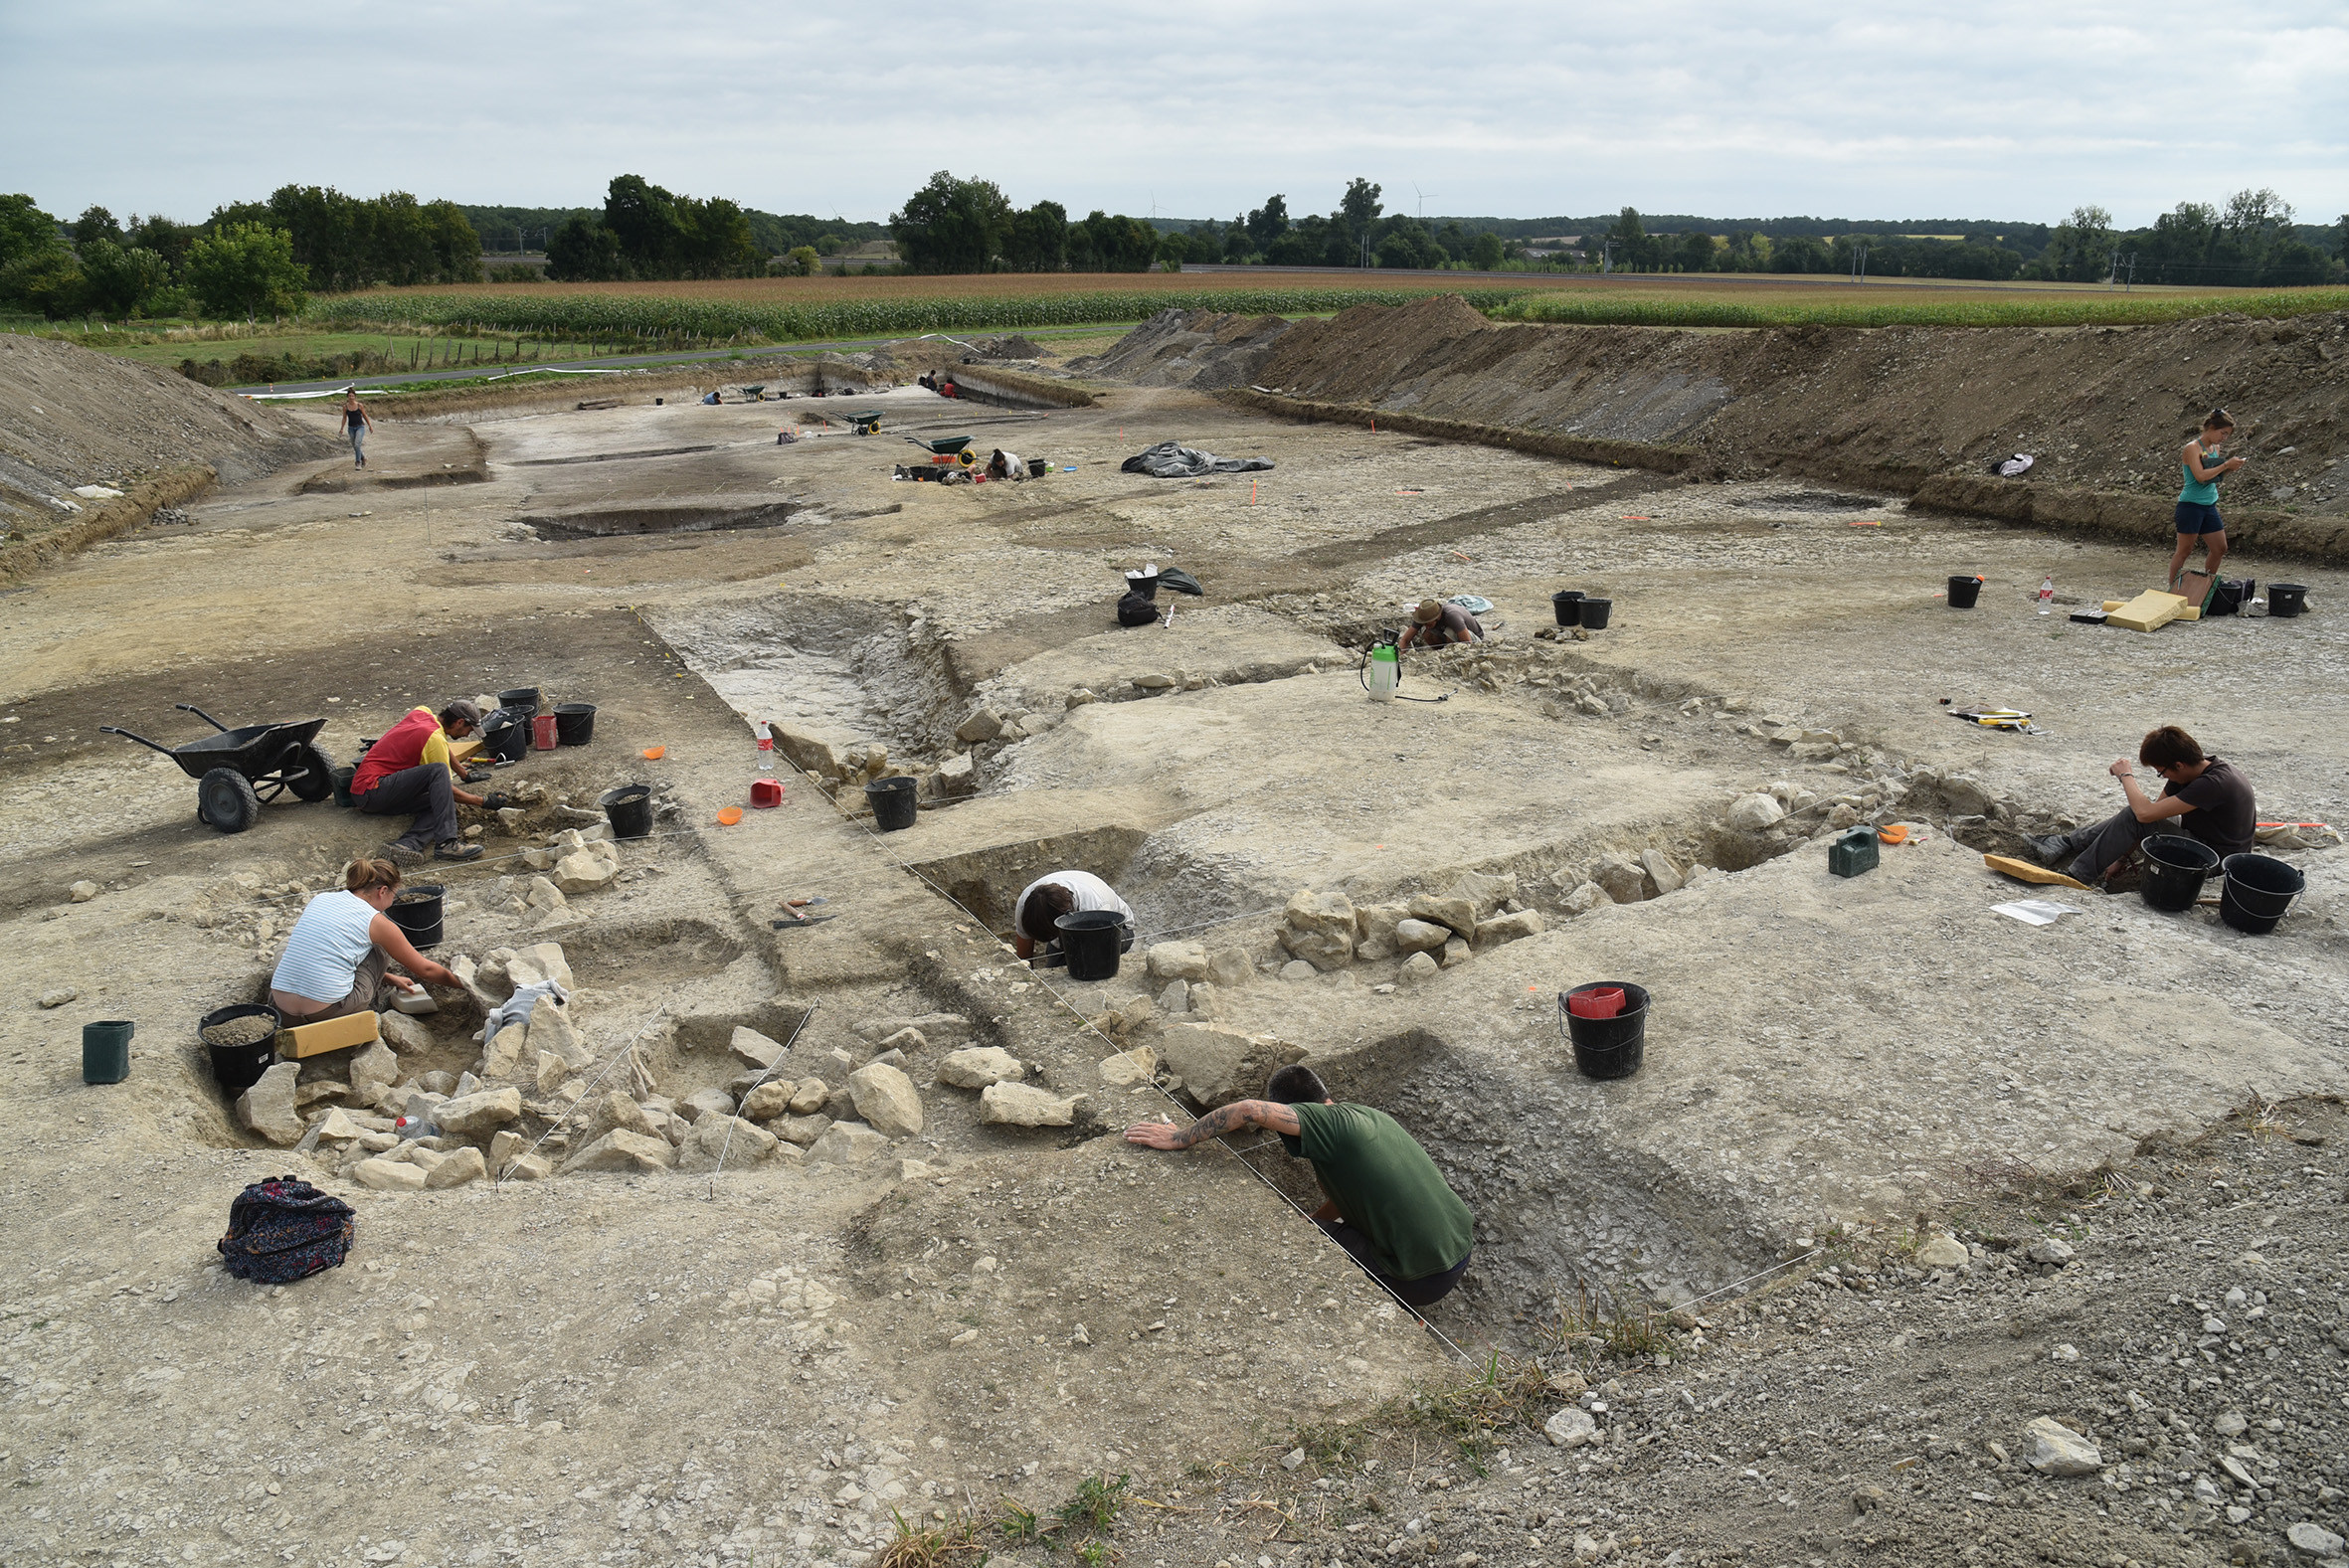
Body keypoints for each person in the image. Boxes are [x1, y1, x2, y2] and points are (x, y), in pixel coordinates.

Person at [1124, 1065, 1475, 1308]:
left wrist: (1178, 1138)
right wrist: (1313, 1220)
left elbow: (1248, 1110)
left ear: (1290, 1109)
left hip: (1421, 1276)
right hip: (1457, 1252)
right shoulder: (1367, 1118)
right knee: (1307, 1229)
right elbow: (1351, 1193)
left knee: (1292, 1242)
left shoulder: (1322, 1122)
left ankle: (1399, 1308)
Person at [2027, 725, 2256, 888]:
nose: (2162, 776)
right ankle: (2066, 843)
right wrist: (2122, 857)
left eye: (2161, 772)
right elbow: (2153, 816)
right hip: (2200, 841)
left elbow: (2144, 814)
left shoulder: (2215, 783)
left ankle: (2076, 877)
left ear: (2178, 764)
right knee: (2136, 815)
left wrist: (2125, 775)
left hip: (2214, 860)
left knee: (2135, 814)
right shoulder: (2191, 772)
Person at [270, 856, 459, 1024]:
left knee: (288, 944)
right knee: (378, 949)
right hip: (330, 1014)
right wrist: (464, 983)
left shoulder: (320, 899)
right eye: (394, 894)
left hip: (284, 1013)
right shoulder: (377, 922)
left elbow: (329, 953)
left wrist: (388, 978)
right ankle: (374, 1003)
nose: (393, 901)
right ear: (383, 891)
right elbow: (425, 970)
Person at [350, 700, 502, 863]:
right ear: (459, 722)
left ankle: (405, 845)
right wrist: (482, 801)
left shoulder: (423, 712)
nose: (467, 735)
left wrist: (464, 774)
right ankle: (448, 843)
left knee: (440, 803)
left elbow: (441, 743)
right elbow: (446, 788)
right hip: (373, 789)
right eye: (469, 729)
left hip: (370, 790)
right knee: (439, 772)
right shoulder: (434, 739)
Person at [2170, 409, 2244, 590]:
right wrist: (2225, 464)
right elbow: (2201, 476)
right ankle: (2172, 587)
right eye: (2223, 433)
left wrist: (2228, 469)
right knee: (2184, 550)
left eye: (2227, 435)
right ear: (2211, 427)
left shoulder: (2214, 449)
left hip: (2209, 504)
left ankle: (2207, 586)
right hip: (2191, 506)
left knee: (2220, 548)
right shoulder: (2192, 448)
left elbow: (2213, 478)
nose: (2224, 438)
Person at [1011, 869, 1136, 964]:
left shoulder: (1095, 907)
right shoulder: (1026, 904)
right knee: (1055, 972)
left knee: (1087, 967)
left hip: (1116, 931)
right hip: (1068, 931)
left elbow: (1097, 947)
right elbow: (1024, 953)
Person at [1395, 598, 1482, 652]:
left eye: (1428, 623)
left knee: (1450, 632)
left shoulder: (1451, 616)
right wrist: (1400, 655)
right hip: (1453, 638)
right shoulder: (1423, 615)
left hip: (1475, 640)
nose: (1426, 625)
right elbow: (1405, 640)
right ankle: (1440, 652)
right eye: (1424, 623)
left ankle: (1449, 653)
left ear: (1437, 617)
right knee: (1426, 632)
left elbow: (1468, 643)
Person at [340, 388, 374, 469]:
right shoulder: (345, 407)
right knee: (355, 446)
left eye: (352, 396)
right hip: (351, 428)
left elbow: (364, 415)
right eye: (349, 396)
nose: (351, 397)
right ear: (347, 397)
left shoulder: (359, 405)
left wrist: (370, 425)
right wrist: (342, 428)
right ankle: (363, 458)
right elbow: (344, 418)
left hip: (360, 427)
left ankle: (358, 462)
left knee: (357, 444)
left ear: (355, 396)